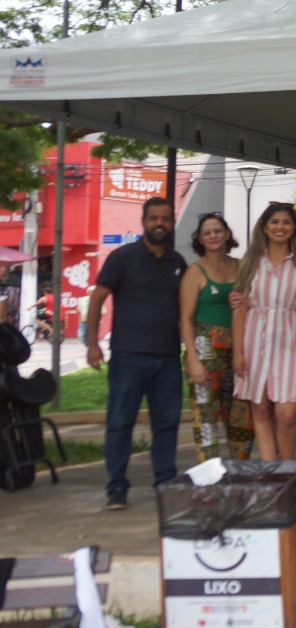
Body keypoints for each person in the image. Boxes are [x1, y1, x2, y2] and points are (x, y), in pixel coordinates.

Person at [84, 197, 186, 510]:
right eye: (154, 218)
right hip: (128, 356)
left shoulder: (178, 263)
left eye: (165, 219)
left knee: (167, 424)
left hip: (168, 358)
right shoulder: (122, 257)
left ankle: (165, 483)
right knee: (119, 423)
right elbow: (97, 299)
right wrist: (91, 343)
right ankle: (116, 487)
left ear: (171, 222)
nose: (159, 223)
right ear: (144, 222)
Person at [232, 203, 296, 462]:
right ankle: (271, 469)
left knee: (287, 413)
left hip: (288, 343)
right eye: (274, 222)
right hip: (254, 340)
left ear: (293, 229)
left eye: (286, 223)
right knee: (259, 407)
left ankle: (286, 467)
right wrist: (237, 352)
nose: (280, 227)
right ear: (265, 227)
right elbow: (239, 309)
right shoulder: (250, 263)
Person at [177, 213, 251, 461]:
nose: (213, 236)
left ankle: (240, 470)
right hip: (205, 351)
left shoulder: (240, 266)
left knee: (241, 414)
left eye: (217, 230)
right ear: (200, 238)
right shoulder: (194, 272)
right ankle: (210, 476)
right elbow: (185, 318)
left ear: (227, 233)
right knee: (206, 416)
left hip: (239, 349)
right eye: (207, 232)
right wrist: (193, 361)